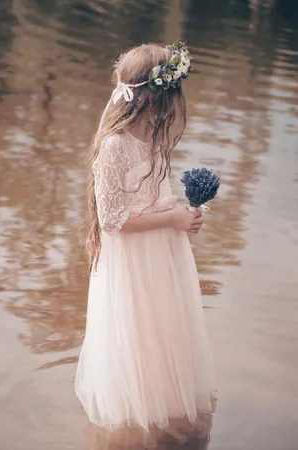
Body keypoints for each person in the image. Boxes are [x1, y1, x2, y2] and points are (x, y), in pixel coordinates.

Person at [75, 41, 217, 447]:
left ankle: (166, 413)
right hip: (131, 260)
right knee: (136, 330)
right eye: (169, 99)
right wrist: (168, 219)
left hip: (159, 252)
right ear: (150, 97)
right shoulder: (114, 146)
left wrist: (181, 214)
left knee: (162, 328)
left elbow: (149, 198)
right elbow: (113, 219)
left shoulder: (150, 137)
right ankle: (138, 426)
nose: (172, 109)